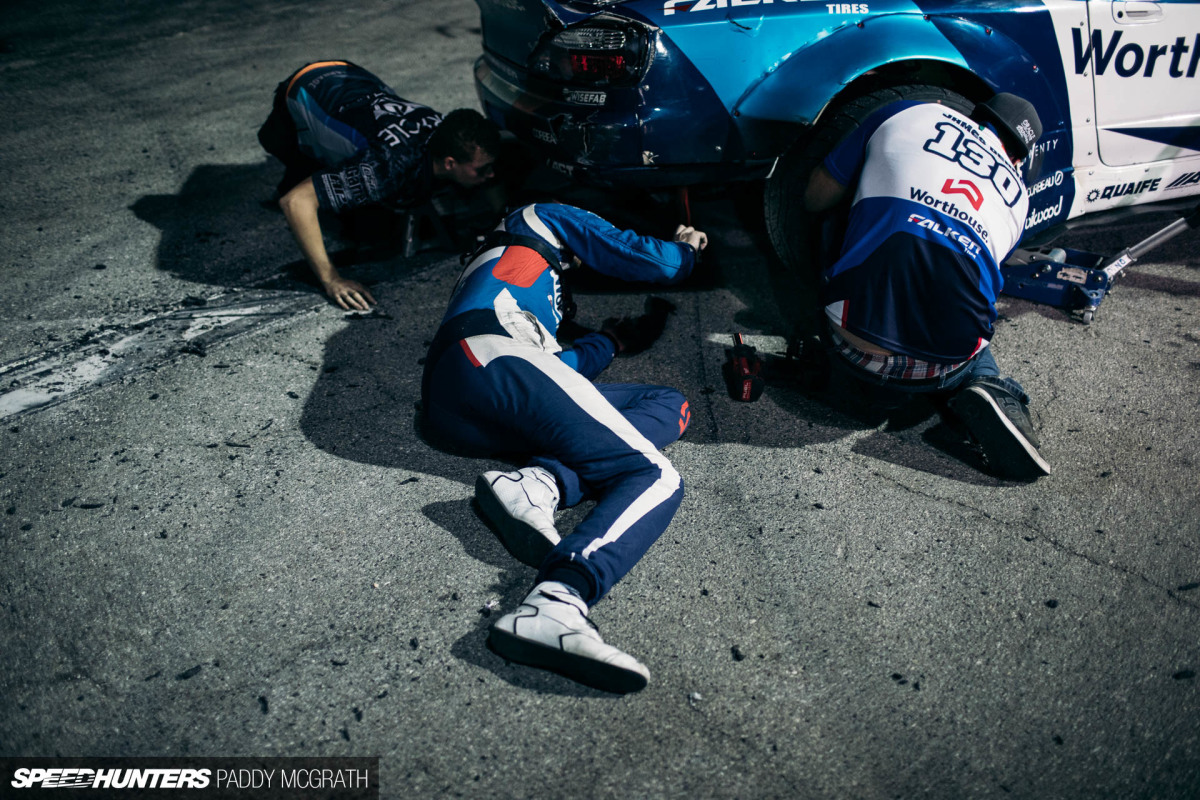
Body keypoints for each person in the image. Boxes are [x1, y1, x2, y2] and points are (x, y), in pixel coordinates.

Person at [421, 202, 707, 693]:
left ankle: (539, 481)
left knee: (666, 404)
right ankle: (556, 602)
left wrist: (610, 342)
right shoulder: (537, 216)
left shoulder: (507, 267)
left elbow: (556, 368)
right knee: (655, 476)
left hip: (464, 393)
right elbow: (654, 262)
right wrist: (686, 247)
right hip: (489, 356)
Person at [802, 91, 1050, 480]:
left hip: (852, 343)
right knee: (962, 286)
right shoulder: (1019, 200)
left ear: (976, 114)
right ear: (1019, 159)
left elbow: (813, 198)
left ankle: (863, 371)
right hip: (944, 361)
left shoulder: (908, 112)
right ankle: (989, 385)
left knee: (855, 214)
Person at [257, 60, 501, 310]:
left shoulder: (450, 134)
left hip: (345, 73)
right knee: (364, 224)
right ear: (449, 163)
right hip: (303, 88)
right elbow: (295, 202)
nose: (491, 175)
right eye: (482, 170)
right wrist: (332, 280)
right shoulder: (383, 168)